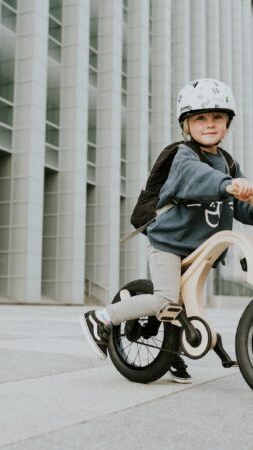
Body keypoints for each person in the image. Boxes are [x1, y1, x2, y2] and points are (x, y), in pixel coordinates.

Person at [80, 78, 253, 384]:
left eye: (217, 117)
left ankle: (171, 355)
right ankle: (101, 318)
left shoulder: (228, 163)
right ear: (186, 124)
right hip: (169, 243)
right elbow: (194, 178)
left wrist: (242, 194)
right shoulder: (184, 155)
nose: (209, 124)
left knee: (185, 305)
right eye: (200, 118)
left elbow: (241, 209)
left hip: (199, 248)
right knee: (165, 300)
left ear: (228, 122)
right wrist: (226, 186)